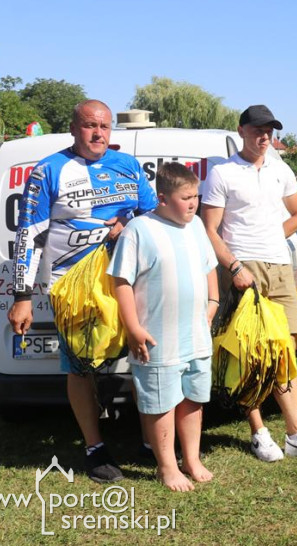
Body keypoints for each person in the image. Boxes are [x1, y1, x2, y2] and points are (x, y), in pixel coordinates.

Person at [8, 100, 158, 483]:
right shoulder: (49, 170)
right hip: (72, 287)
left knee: (143, 355)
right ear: (74, 128)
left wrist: (129, 224)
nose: (98, 134)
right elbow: (29, 236)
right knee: (80, 368)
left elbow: (154, 216)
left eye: (105, 126)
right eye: (90, 126)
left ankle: (149, 440)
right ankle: (94, 447)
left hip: (125, 282)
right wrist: (21, 296)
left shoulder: (127, 167)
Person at [200, 104, 297, 460]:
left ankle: (295, 435)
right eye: (258, 130)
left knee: (285, 353)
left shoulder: (281, 169)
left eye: (270, 131)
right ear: (242, 130)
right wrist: (233, 267)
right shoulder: (222, 173)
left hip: (279, 267)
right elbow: (209, 229)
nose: (265, 137)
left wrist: (273, 236)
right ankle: (259, 431)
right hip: (244, 270)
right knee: (253, 353)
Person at [109, 162, 217, 491]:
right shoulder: (139, 230)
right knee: (160, 403)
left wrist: (213, 303)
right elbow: (120, 281)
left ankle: (192, 459)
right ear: (162, 198)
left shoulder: (196, 226)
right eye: (185, 198)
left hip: (196, 335)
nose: (193, 204)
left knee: (193, 399)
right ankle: (167, 467)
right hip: (158, 339)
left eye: (195, 197)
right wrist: (133, 327)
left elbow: (209, 266)